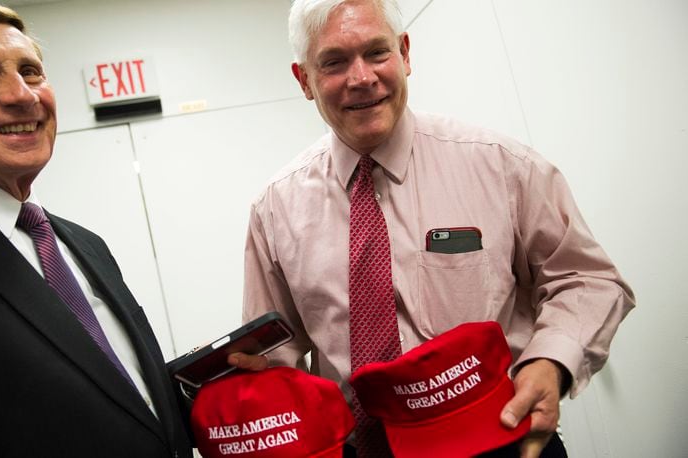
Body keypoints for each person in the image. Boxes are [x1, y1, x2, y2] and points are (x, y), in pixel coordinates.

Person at [238, 0, 635, 457]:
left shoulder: (501, 166)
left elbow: (586, 279)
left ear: (405, 53)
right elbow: (273, 358)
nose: (362, 77)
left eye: (377, 52)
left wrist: (551, 361)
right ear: (303, 79)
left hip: (501, 438)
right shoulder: (274, 211)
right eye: (334, 62)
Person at [0, 2, 213, 456]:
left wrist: (211, 387)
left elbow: (117, 402)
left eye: (31, 72)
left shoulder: (82, 244)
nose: (22, 94)